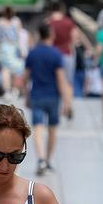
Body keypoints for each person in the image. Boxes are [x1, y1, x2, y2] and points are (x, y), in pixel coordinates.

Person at [25, 21, 72, 174]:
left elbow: (26, 77)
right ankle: (49, 160)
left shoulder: (33, 53)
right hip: (53, 96)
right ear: (51, 35)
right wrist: (66, 102)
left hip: (37, 95)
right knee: (52, 129)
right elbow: (61, 79)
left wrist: (26, 95)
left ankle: (40, 158)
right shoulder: (56, 54)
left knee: (37, 127)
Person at [48, 0, 83, 95]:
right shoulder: (69, 22)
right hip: (67, 54)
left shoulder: (48, 23)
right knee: (68, 82)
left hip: (52, 55)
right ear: (62, 9)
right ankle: (68, 105)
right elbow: (75, 39)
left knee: (54, 81)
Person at [0, 5, 25, 96]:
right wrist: (21, 49)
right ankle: (15, 90)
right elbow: (19, 36)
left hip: (4, 47)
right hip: (14, 46)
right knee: (16, 70)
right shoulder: (17, 21)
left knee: (5, 70)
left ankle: (7, 91)